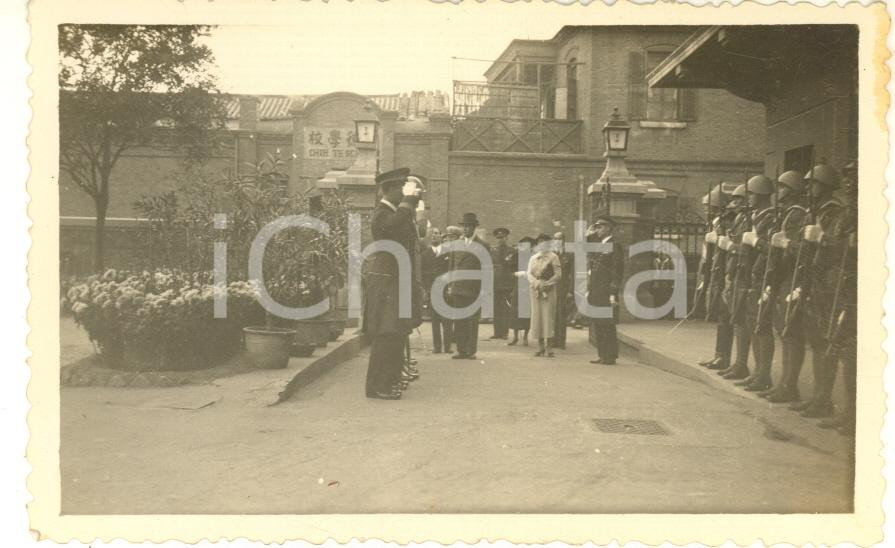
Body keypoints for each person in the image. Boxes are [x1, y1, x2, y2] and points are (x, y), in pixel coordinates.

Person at [362, 167, 423, 400]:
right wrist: (408, 203)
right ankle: (377, 386)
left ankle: (389, 381)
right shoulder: (382, 214)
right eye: (399, 187)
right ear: (387, 190)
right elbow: (392, 226)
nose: (402, 192)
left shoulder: (396, 213)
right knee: (386, 334)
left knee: (396, 333)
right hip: (388, 282)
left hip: (397, 280)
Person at [758, 170, 807, 403]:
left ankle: (789, 386)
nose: (779, 192)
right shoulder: (787, 213)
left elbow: (801, 248)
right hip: (780, 277)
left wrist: (785, 243)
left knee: (791, 334)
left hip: (791, 278)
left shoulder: (798, 214)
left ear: (795, 191)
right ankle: (785, 385)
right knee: (784, 333)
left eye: (784, 187)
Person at [733, 175, 776, 392]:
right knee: (749, 321)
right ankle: (757, 373)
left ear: (761, 195)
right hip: (748, 276)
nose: (747, 197)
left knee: (761, 325)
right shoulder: (753, 217)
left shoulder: (771, 218)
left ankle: (763, 375)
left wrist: (756, 241)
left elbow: (772, 249)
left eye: (751, 193)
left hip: (763, 278)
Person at [446, 212, 490, 360]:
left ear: (474, 228)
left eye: (469, 226)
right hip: (458, 287)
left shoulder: (483, 245)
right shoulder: (456, 245)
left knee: (472, 321)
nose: (466, 229)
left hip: (474, 288)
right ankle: (460, 350)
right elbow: (452, 266)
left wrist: (485, 290)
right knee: (459, 320)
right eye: (464, 226)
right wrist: (450, 285)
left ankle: (471, 351)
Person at [587, 216, 624, 365]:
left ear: (608, 228)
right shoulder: (599, 245)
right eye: (596, 227)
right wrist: (588, 237)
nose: (597, 230)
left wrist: (613, 292)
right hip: (596, 291)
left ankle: (610, 356)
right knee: (598, 323)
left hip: (606, 292)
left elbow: (617, 271)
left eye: (600, 227)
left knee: (607, 324)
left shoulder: (614, 245)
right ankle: (602, 354)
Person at [527, 233, 563, 357]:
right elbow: (529, 273)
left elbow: (558, 274)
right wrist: (536, 283)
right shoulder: (533, 258)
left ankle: (549, 347)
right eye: (540, 242)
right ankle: (540, 346)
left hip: (549, 290)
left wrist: (547, 284)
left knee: (548, 317)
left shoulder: (554, 257)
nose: (542, 245)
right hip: (536, 290)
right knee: (537, 318)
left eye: (545, 242)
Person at [421, 228, 452, 353]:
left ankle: (448, 346)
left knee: (447, 319)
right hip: (432, 290)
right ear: (430, 237)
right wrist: (426, 288)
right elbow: (422, 273)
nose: (434, 236)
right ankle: (437, 347)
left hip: (445, 290)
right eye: (432, 234)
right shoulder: (424, 254)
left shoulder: (448, 253)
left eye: (437, 233)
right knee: (435, 320)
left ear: (441, 237)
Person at [507, 236, 533, 347]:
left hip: (529, 285)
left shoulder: (533, 257)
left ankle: (526, 336)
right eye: (523, 244)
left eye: (528, 244)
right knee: (515, 311)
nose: (525, 247)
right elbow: (509, 270)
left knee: (527, 312)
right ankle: (515, 336)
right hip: (517, 285)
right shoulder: (516, 256)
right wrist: (518, 273)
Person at [490, 227, 514, 340]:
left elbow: (511, 266)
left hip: (506, 283)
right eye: (498, 237)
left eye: (502, 237)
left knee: (505, 308)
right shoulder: (493, 250)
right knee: (496, 308)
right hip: (495, 283)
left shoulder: (511, 251)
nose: (500, 239)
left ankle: (505, 332)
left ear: (506, 237)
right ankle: (497, 332)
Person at [552, 232, 574, 348]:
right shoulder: (551, 255)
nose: (557, 241)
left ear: (564, 240)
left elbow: (572, 274)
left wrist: (570, 290)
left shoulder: (569, 255)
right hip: (552, 288)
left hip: (563, 289)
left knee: (561, 315)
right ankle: (553, 340)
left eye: (559, 239)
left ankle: (561, 341)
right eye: (555, 239)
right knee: (553, 315)